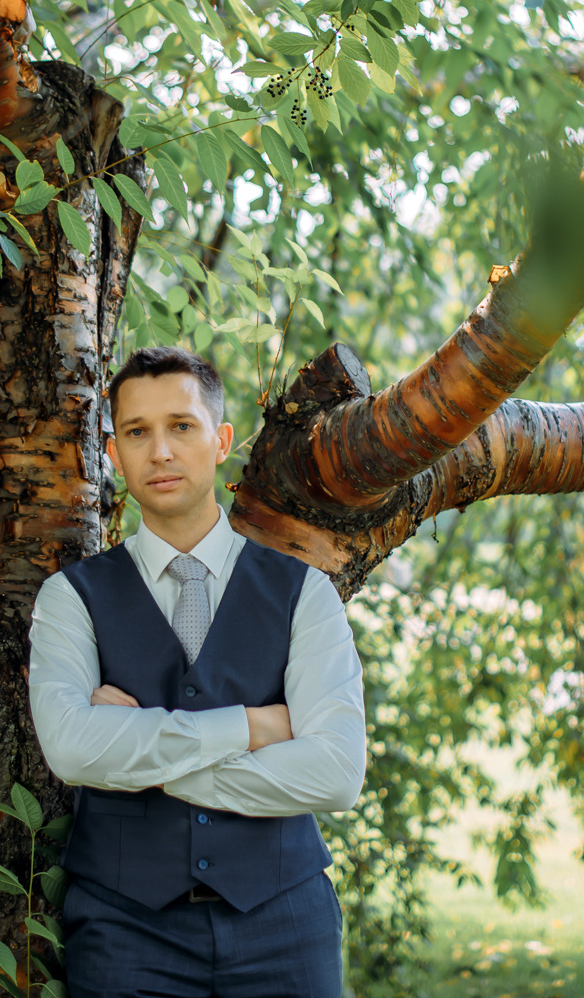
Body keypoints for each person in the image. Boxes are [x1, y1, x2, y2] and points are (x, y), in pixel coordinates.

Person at [28, 346, 366, 998]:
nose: (160, 451)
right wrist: (251, 727)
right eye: (137, 432)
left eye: (181, 426)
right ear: (113, 452)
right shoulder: (71, 598)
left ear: (221, 441)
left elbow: (335, 772)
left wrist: (140, 761)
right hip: (123, 932)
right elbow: (71, 749)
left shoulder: (304, 594)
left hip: (286, 926)